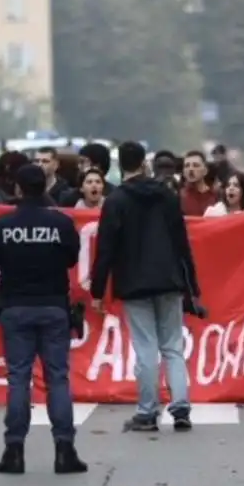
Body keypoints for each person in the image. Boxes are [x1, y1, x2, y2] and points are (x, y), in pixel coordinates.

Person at [90, 141, 200, 432]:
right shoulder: (166, 195)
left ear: (120, 165)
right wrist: (192, 284)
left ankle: (148, 410)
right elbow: (181, 242)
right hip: (169, 278)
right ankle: (180, 406)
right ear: (144, 162)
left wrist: (98, 290)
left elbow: (106, 248)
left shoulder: (116, 201)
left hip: (133, 281)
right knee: (172, 346)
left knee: (146, 347)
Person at [0, 164, 87, 475]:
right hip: (54, 306)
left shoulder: (2, 225)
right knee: (57, 378)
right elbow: (71, 257)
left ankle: (14, 451)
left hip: (15, 306)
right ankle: (64, 450)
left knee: (18, 378)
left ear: (17, 188)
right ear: (44, 187)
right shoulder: (61, 223)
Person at [179, 151, 217, 216]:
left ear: (205, 171)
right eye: (187, 166)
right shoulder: (179, 197)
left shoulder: (216, 196)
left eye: (195, 165)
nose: (190, 169)